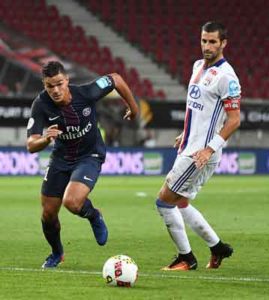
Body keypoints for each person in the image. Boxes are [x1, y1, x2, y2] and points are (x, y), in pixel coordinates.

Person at [26, 61, 139, 269]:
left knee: (72, 202)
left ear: (67, 80)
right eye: (50, 86)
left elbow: (116, 78)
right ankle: (57, 253)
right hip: (60, 158)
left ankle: (94, 215)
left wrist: (133, 108)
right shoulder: (40, 105)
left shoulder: (86, 93)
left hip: (90, 154)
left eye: (59, 83)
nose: (56, 90)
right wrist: (44, 139)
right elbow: (31, 144)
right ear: (44, 85)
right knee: (48, 213)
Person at [155, 21, 241, 270]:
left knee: (164, 201)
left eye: (213, 41)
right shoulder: (197, 66)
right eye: (204, 40)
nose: (207, 46)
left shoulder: (227, 77)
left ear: (223, 43)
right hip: (191, 145)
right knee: (180, 203)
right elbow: (198, 108)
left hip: (201, 153)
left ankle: (186, 258)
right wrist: (186, 132)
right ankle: (218, 248)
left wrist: (209, 148)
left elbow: (234, 120)